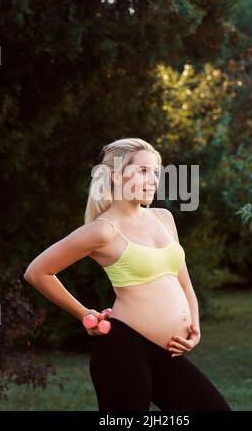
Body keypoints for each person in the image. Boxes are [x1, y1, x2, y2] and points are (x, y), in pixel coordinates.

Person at [24, 137, 232, 411]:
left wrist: (195, 328)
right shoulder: (103, 230)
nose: (153, 180)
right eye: (143, 171)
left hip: (168, 352)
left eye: (156, 172)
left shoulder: (163, 218)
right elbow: (38, 272)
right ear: (115, 176)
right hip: (123, 352)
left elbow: (185, 285)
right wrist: (85, 314)